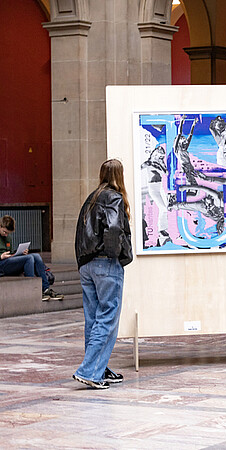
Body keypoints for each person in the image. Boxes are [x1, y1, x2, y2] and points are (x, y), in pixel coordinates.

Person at [73, 159, 133, 389]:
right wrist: (115, 255)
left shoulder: (92, 198)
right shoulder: (114, 198)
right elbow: (115, 229)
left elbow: (81, 232)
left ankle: (99, 366)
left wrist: (82, 262)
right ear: (120, 175)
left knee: (94, 319)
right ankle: (90, 371)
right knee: (107, 318)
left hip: (87, 265)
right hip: (105, 263)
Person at [0, 215, 64, 301]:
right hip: (1, 265)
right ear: (0, 226)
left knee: (36, 256)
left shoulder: (8, 238)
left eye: (8, 233)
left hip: (8, 261)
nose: (6, 235)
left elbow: (10, 254)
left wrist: (19, 254)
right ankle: (33, 290)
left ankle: (46, 288)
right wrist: (1, 256)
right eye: (4, 232)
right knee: (29, 258)